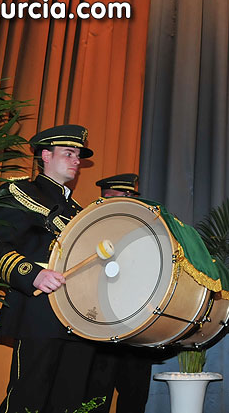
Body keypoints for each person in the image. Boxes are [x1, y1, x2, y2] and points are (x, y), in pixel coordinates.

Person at [0, 124, 97, 413]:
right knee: (27, 398)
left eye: (78, 155)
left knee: (69, 402)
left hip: (81, 319)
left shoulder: (81, 213)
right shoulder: (20, 192)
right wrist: (34, 274)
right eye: (68, 153)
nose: (76, 160)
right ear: (45, 155)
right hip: (40, 312)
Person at [86, 173, 154, 413]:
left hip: (136, 328)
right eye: (122, 195)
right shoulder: (90, 228)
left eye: (130, 195)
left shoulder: (144, 231)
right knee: (95, 396)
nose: (128, 199)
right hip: (102, 327)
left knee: (135, 396)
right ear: (106, 196)